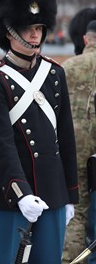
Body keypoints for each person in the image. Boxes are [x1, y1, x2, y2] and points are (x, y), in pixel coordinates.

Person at [0, 0, 78, 263]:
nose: (35, 34)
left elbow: (65, 137)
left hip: (53, 193)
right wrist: (19, 191)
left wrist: (70, 193)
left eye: (38, 27)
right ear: (9, 29)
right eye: (27, 27)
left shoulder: (54, 74)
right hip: (9, 196)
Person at [62, 18, 96, 264]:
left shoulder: (68, 67)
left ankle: (71, 261)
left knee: (77, 212)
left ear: (85, 39)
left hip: (75, 147)